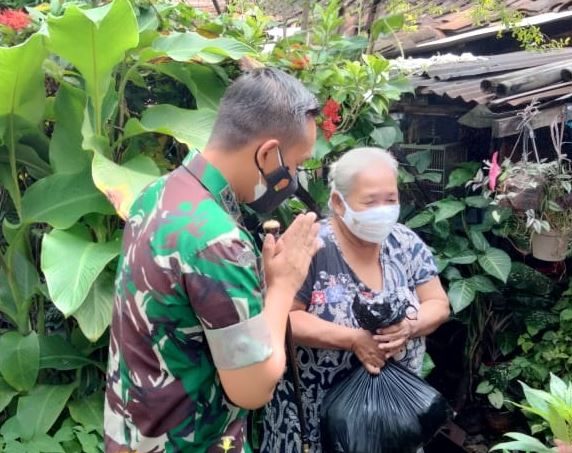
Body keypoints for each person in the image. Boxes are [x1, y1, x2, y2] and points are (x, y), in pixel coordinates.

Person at [104, 68, 322, 453]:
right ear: (267, 154)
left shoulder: (157, 194)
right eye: (295, 165)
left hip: (133, 435)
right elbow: (252, 388)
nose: (293, 179)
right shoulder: (218, 241)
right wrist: (284, 284)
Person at [262, 147, 450, 453]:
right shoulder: (309, 248)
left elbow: (438, 304)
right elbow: (283, 315)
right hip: (314, 424)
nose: (383, 210)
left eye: (391, 199)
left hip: (394, 422)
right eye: (371, 201)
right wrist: (352, 340)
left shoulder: (405, 243)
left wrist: (408, 326)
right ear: (339, 202)